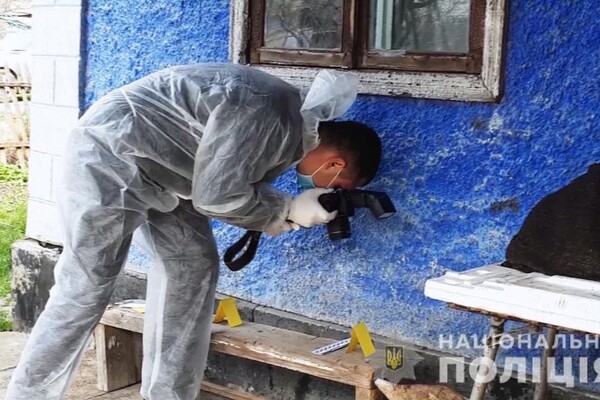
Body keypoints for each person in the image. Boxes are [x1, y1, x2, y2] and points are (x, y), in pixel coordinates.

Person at [5, 63, 382, 400]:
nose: (328, 190)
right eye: (338, 185)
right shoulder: (270, 115)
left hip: (170, 174)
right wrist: (283, 209)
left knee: (193, 267)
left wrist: (280, 211)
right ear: (335, 163)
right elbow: (218, 195)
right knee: (85, 286)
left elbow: (225, 178)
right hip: (112, 156)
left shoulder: (288, 126)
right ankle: (28, 395)